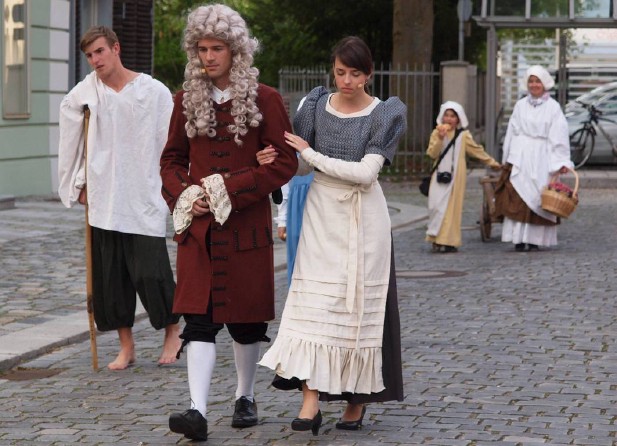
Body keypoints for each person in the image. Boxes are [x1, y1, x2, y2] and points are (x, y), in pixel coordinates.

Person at [159, 4, 297, 442]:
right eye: (202, 49)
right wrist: (188, 194)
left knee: (245, 321)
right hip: (199, 232)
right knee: (198, 320)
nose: (208, 57)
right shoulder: (184, 101)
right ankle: (197, 410)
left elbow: (285, 163)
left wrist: (228, 187)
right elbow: (170, 161)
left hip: (246, 230)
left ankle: (245, 396)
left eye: (216, 48)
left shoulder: (266, 99)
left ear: (236, 50)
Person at [258, 36, 406, 436]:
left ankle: (357, 400)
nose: (347, 81)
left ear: (369, 74)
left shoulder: (386, 113)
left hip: (364, 220)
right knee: (314, 307)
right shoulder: (314, 105)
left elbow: (365, 173)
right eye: (340, 72)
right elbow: (298, 165)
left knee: (357, 312)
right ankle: (310, 402)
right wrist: (272, 162)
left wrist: (309, 153)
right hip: (321, 217)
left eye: (355, 73)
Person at [57, 26, 180, 371]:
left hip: (142, 192)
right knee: (110, 278)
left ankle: (172, 331)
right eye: (89, 55)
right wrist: (79, 182)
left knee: (151, 272)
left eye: (99, 51)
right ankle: (127, 346)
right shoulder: (87, 92)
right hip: (104, 194)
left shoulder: (153, 91)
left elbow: (170, 141)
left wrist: (173, 183)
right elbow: (72, 134)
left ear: (115, 48)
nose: (95, 60)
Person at [494, 65, 574, 252]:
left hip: (542, 157)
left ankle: (534, 239)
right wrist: (508, 156)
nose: (534, 85)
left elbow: (559, 136)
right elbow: (512, 131)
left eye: (537, 81)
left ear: (544, 83)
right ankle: (518, 238)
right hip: (521, 155)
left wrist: (561, 161)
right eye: (531, 81)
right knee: (518, 194)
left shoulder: (553, 108)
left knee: (538, 196)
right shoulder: (520, 105)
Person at [425, 101, 501, 253]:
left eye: (452, 116)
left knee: (451, 209)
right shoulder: (436, 133)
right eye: (446, 115)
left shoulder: (463, 135)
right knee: (436, 206)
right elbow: (432, 153)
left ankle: (448, 241)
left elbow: (476, 151)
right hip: (439, 175)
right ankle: (435, 237)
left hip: (456, 177)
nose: (449, 119)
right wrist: (440, 138)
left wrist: (492, 163)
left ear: (458, 119)